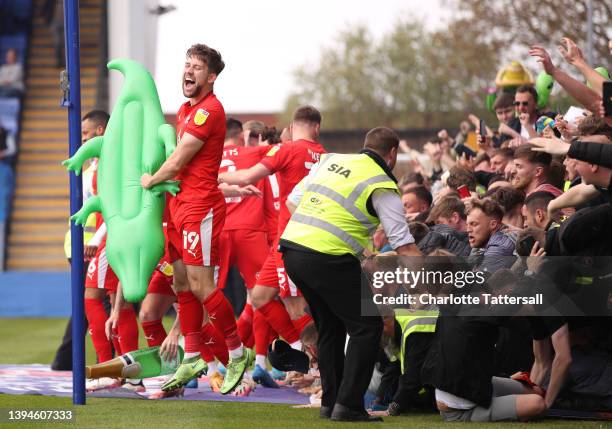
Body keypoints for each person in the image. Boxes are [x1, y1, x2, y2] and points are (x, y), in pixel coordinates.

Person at [280, 126, 422, 422]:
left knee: (331, 326)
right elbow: (405, 246)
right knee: (367, 326)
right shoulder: (381, 183)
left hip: (293, 249)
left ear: (365, 146)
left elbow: (292, 200)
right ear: (392, 154)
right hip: (328, 255)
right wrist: (437, 280)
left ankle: (330, 403)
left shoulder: (331, 161)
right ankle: (349, 405)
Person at [141, 43, 252, 394]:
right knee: (181, 284)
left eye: (197, 67)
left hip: (199, 207)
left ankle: (238, 352)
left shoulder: (209, 111)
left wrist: (150, 180)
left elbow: (177, 161)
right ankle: (191, 355)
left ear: (212, 77)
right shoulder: (186, 109)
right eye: (186, 65)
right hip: (178, 206)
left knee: (203, 286)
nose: (188, 71)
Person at [218, 106, 326, 365]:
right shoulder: (325, 156)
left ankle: (319, 367)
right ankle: (301, 357)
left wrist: (214, 176)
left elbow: (246, 176)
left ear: (293, 125)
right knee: (259, 296)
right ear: (317, 128)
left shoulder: (287, 150)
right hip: (291, 238)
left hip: (292, 239)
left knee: (295, 305)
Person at [217, 118, 281, 387]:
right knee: (263, 297)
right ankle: (267, 361)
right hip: (259, 232)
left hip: (218, 230)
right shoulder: (258, 157)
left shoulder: (211, 157)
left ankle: (213, 362)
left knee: (205, 297)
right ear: (243, 137)